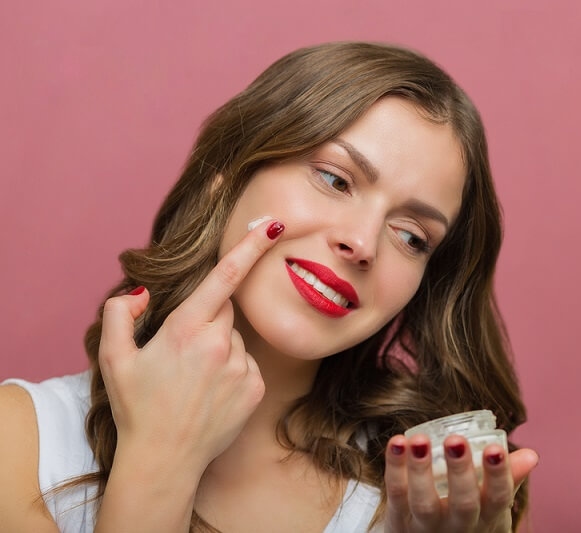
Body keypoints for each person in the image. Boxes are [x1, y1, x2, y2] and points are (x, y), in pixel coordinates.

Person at [0, 42, 538, 532]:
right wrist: (160, 457)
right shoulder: (22, 443)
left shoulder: (438, 496)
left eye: (411, 236)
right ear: (226, 181)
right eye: (335, 179)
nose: (363, 242)